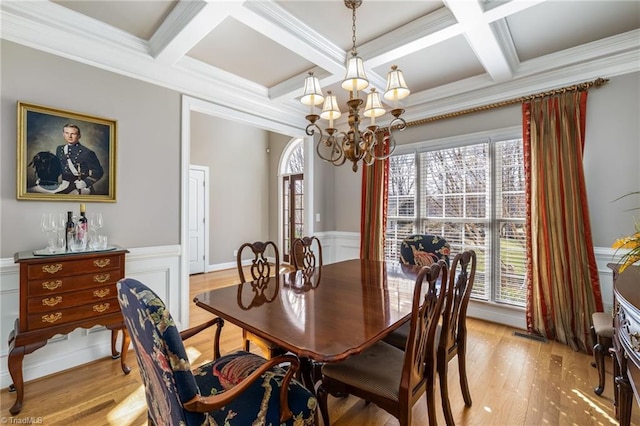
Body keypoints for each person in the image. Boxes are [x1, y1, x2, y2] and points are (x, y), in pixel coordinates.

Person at [55, 123, 104, 194]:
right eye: (67, 133)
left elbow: (98, 172)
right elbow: (58, 168)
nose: (69, 136)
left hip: (80, 187)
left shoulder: (87, 152)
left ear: (79, 136)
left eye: (73, 134)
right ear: (63, 134)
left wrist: (85, 182)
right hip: (64, 185)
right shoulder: (60, 149)